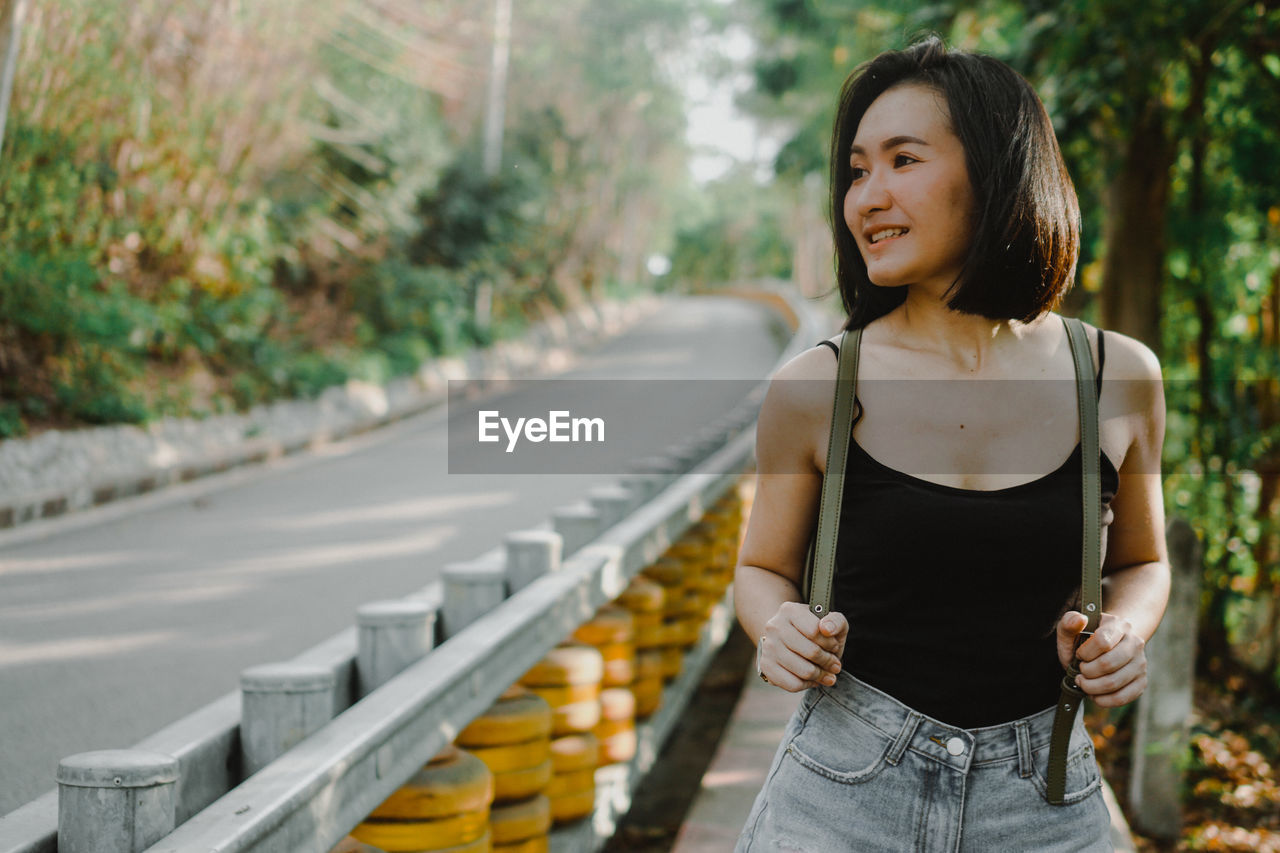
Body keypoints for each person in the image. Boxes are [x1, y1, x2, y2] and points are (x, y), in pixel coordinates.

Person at [733, 36, 1170, 852]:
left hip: (1044, 802)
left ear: (1000, 172)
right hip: (838, 798)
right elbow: (761, 570)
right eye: (857, 171)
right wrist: (777, 626)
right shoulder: (817, 386)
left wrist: (1124, 632)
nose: (866, 197)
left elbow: (1143, 562)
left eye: (903, 159)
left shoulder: (1117, 376)